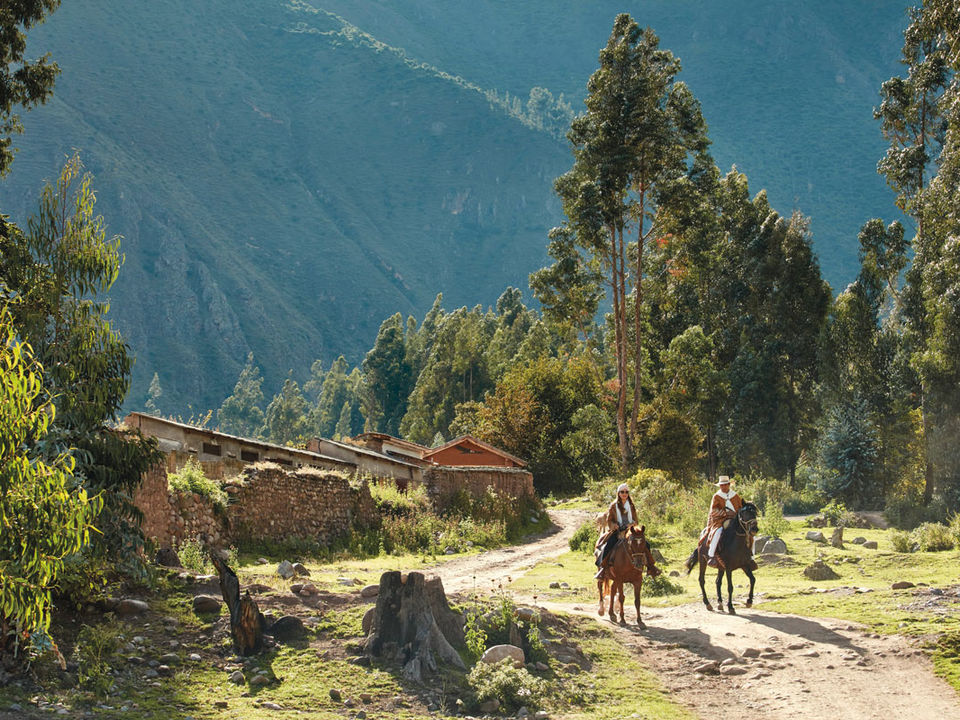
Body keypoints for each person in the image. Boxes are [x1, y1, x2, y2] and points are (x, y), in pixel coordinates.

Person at [594, 483, 661, 579]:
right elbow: (610, 520)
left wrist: (633, 524)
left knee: (646, 544)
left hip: (630, 531)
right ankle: (603, 569)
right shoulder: (613, 505)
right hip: (617, 532)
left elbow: (636, 520)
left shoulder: (631, 505)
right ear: (618, 493)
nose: (624, 494)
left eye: (626, 492)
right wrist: (615, 526)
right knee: (608, 546)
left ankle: (651, 567)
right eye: (622, 492)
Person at [704, 475, 743, 568]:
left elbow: (740, 507)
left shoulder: (735, 496)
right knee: (718, 532)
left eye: (725, 485)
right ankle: (711, 555)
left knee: (747, 532)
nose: (723, 487)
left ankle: (750, 557)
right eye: (721, 485)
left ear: (729, 485)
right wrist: (725, 513)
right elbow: (713, 511)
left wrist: (736, 514)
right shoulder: (716, 496)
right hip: (720, 520)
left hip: (735, 520)